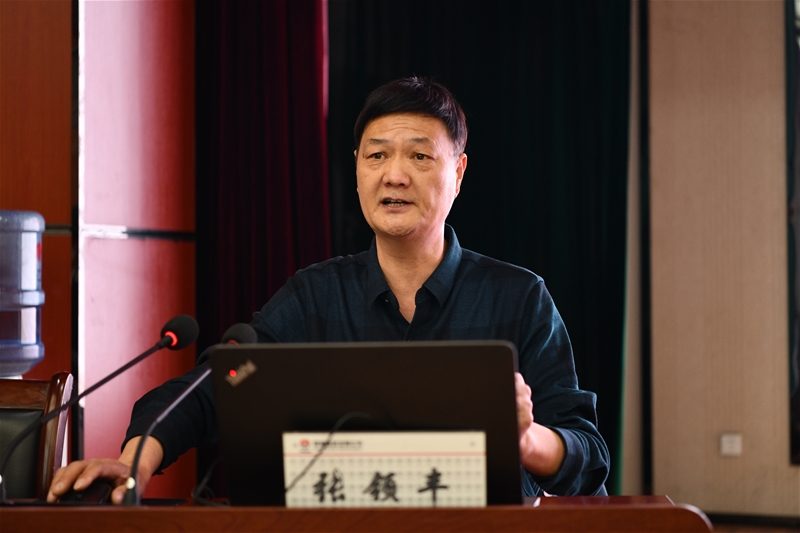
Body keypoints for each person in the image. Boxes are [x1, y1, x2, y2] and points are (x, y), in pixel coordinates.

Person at [48, 77, 609, 504]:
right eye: (377, 155)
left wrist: (526, 439)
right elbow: (213, 388)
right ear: (358, 168)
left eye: (419, 156)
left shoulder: (518, 297)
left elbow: (588, 454)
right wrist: (135, 463)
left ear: (458, 173)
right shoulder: (315, 297)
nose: (394, 174)